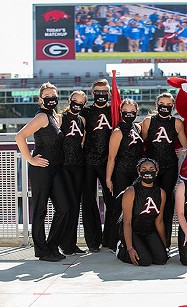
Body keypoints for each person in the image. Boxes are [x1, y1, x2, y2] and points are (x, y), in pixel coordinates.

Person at [15, 82, 69, 262]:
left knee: (64, 207)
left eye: (54, 96)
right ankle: (42, 251)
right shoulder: (41, 117)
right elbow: (19, 136)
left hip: (55, 168)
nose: (51, 99)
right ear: (41, 99)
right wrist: (31, 159)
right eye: (47, 97)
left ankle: (52, 246)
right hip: (41, 169)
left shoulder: (54, 117)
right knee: (40, 209)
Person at [141, 92, 187, 249]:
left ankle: (165, 242)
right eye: (162, 104)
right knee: (149, 202)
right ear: (156, 105)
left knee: (167, 203)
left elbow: (186, 147)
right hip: (150, 169)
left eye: (169, 105)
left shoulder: (177, 123)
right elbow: (141, 144)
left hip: (169, 168)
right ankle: (148, 240)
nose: (165, 108)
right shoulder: (148, 122)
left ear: (172, 107)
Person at [80, 79, 113, 253]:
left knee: (112, 201)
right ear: (93, 94)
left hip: (109, 162)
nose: (101, 96)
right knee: (88, 202)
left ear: (109, 93)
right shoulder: (86, 112)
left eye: (105, 92)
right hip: (88, 162)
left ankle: (109, 239)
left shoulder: (114, 110)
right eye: (98, 93)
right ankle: (92, 241)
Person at [106, 98, 143, 251]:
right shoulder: (118, 131)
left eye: (132, 112)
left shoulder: (138, 128)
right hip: (121, 172)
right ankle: (114, 241)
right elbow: (111, 157)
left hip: (136, 174)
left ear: (137, 112)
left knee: (134, 208)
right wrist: (108, 178)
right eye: (125, 112)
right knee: (119, 207)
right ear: (121, 112)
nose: (129, 114)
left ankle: (130, 239)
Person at [116, 158, 168, 266]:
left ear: (156, 172)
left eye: (151, 169)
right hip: (133, 231)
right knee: (144, 260)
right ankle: (121, 249)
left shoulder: (161, 193)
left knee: (161, 259)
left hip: (149, 231)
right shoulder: (131, 191)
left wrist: (163, 247)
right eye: (144, 169)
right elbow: (127, 222)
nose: (148, 171)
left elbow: (159, 221)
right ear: (139, 173)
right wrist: (130, 248)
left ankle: (144, 247)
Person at [59, 91, 87, 256]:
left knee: (76, 206)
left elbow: (81, 142)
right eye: (75, 100)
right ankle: (63, 242)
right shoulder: (60, 118)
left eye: (81, 102)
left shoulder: (82, 120)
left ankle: (71, 243)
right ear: (69, 101)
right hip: (64, 166)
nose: (78, 104)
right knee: (67, 206)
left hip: (79, 165)